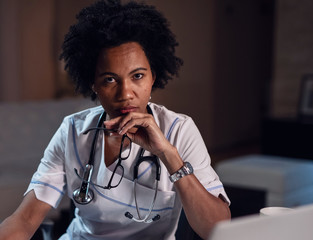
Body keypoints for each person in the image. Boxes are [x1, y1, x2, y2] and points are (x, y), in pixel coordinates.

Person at [0, 1, 231, 239]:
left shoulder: (179, 130)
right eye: (110, 80)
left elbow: (216, 229)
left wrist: (168, 155)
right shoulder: (72, 131)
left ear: (154, 77)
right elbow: (26, 219)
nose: (125, 94)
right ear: (93, 84)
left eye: (137, 76)